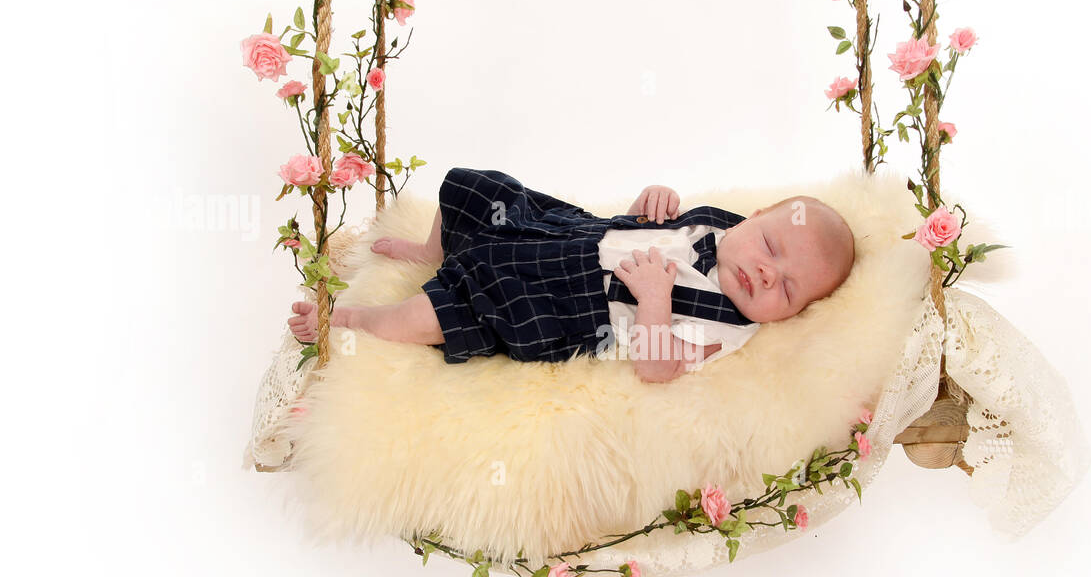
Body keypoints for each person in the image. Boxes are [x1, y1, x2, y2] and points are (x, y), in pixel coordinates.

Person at [289, 167, 855, 383]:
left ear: (796, 312)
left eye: (786, 286)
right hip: (570, 234)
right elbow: (640, 227)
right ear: (753, 218)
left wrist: (656, 300)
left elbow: (658, 368)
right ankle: (432, 248)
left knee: (456, 310)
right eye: (772, 246)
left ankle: (354, 319)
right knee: (480, 190)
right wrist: (651, 201)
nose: (764, 271)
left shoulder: (728, 325)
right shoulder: (719, 226)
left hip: (567, 302)